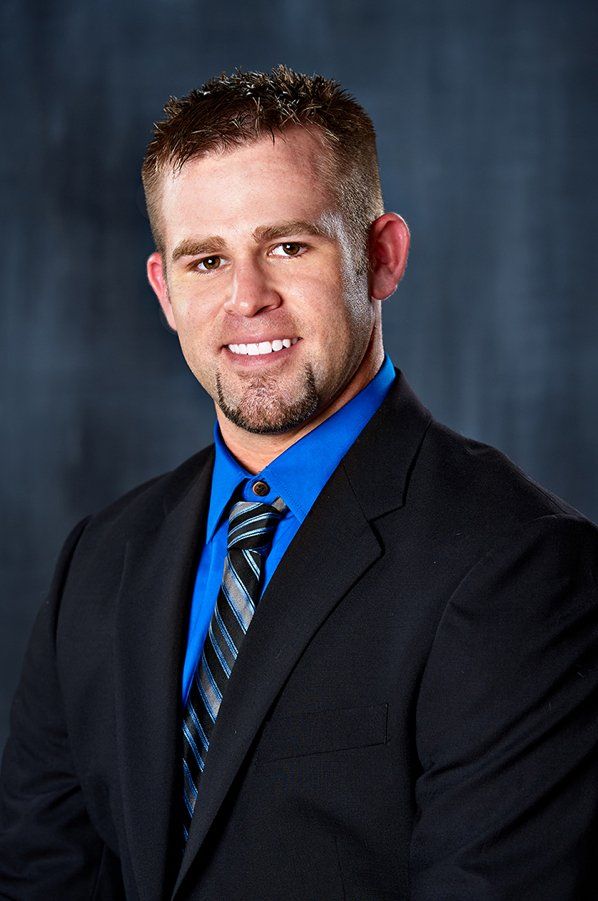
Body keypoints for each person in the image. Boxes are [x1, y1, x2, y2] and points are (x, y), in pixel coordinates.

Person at [1, 64, 597, 901]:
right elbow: (40, 876)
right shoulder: (99, 562)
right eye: (207, 260)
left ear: (381, 256)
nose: (247, 298)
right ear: (165, 290)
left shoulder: (522, 567)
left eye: (288, 246)